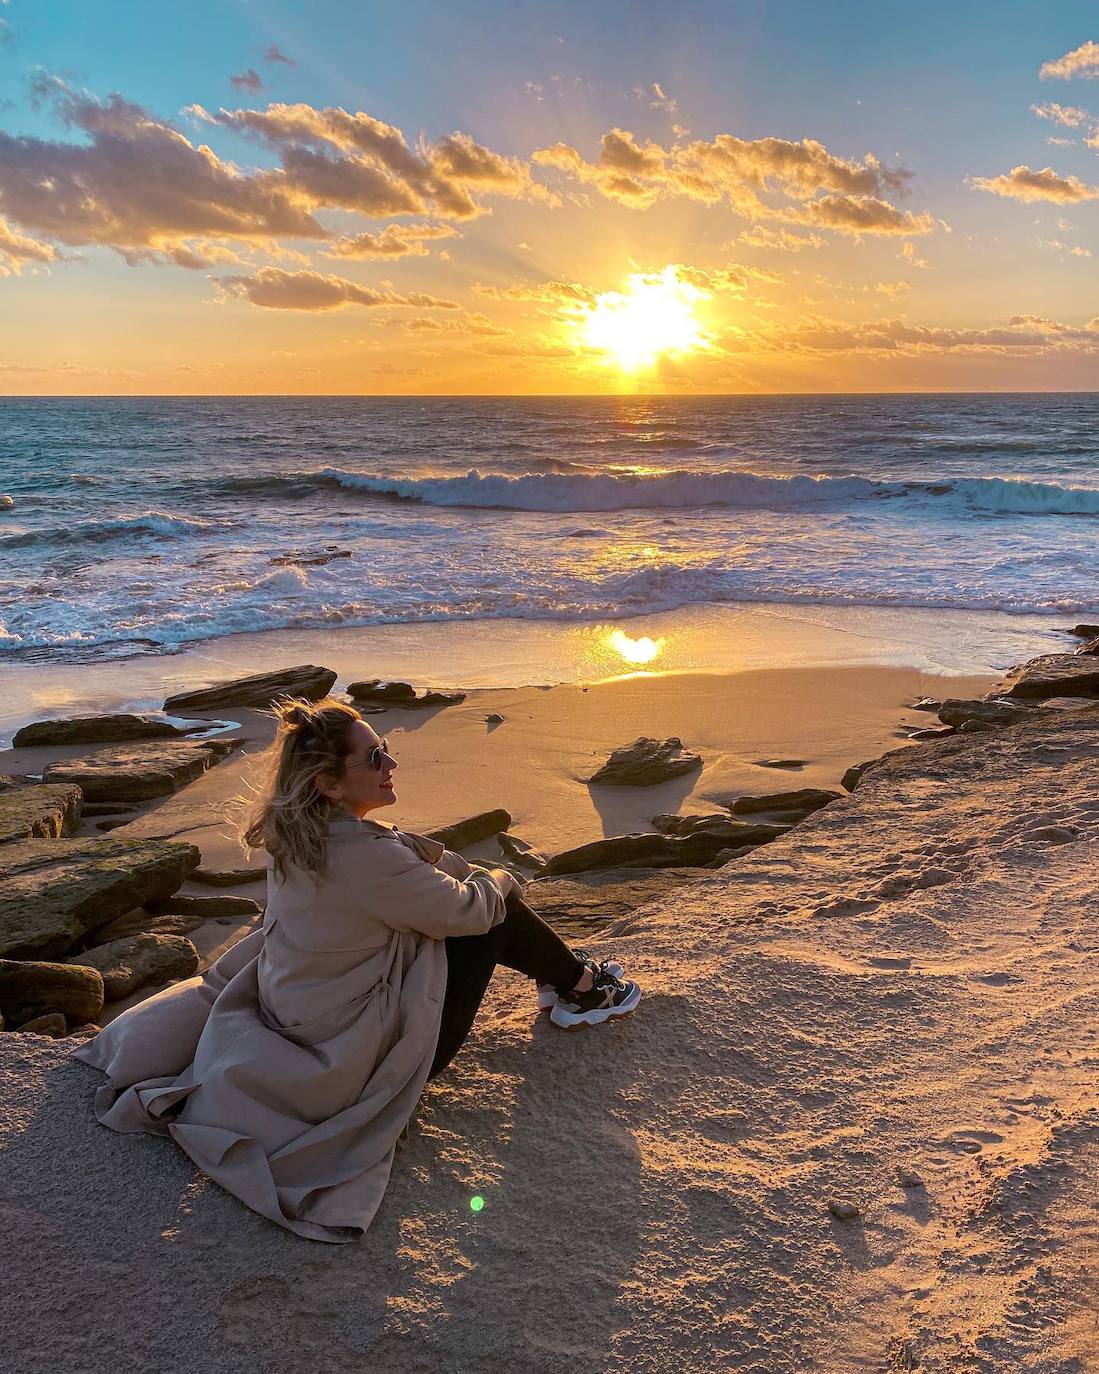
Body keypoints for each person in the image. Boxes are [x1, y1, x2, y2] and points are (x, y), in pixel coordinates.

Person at [72, 695, 639, 1243]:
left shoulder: (299, 837)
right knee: (492, 914)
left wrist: (435, 863)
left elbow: (403, 881)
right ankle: (581, 988)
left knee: (456, 910)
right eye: (374, 758)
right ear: (328, 783)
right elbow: (467, 909)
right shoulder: (368, 855)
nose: (391, 764)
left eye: (386, 748)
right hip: (353, 1062)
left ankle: (567, 981)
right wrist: (502, 880)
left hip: (303, 1021)